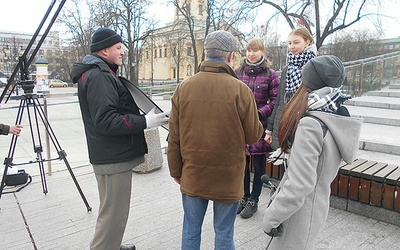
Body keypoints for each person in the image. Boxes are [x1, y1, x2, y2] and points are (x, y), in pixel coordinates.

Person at [70, 28, 169, 250]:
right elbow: (106, 120)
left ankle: (111, 245)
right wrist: (145, 122)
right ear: (104, 50)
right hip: (112, 158)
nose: (122, 52)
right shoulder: (99, 75)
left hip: (109, 155)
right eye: (118, 48)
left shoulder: (100, 72)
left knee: (112, 211)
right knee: (113, 216)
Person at [167, 30, 264, 250]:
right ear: (230, 56)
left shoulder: (184, 87)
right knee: (224, 233)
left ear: (206, 53)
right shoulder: (241, 90)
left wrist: (176, 170)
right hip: (227, 177)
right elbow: (252, 135)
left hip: (193, 173)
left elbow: (174, 137)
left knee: (191, 230)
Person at [262, 55, 362, 249]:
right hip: (314, 209)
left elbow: (299, 185)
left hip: (295, 218)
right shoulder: (335, 115)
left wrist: (271, 217)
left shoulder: (311, 125)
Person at [234, 38, 279, 219]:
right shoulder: (237, 72)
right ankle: (244, 196)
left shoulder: (270, 74)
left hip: (260, 125)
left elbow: (275, 101)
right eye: (249, 50)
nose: (251, 54)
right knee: (243, 164)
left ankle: (254, 198)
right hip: (241, 125)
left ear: (263, 52)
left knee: (259, 165)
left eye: (255, 50)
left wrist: (259, 114)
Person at [265, 27, 317, 151]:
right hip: (285, 122)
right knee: (284, 165)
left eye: (296, 42)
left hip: (304, 122)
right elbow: (279, 101)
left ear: (307, 42)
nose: (292, 46)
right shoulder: (287, 69)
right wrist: (270, 129)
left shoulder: (316, 67)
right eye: (289, 43)